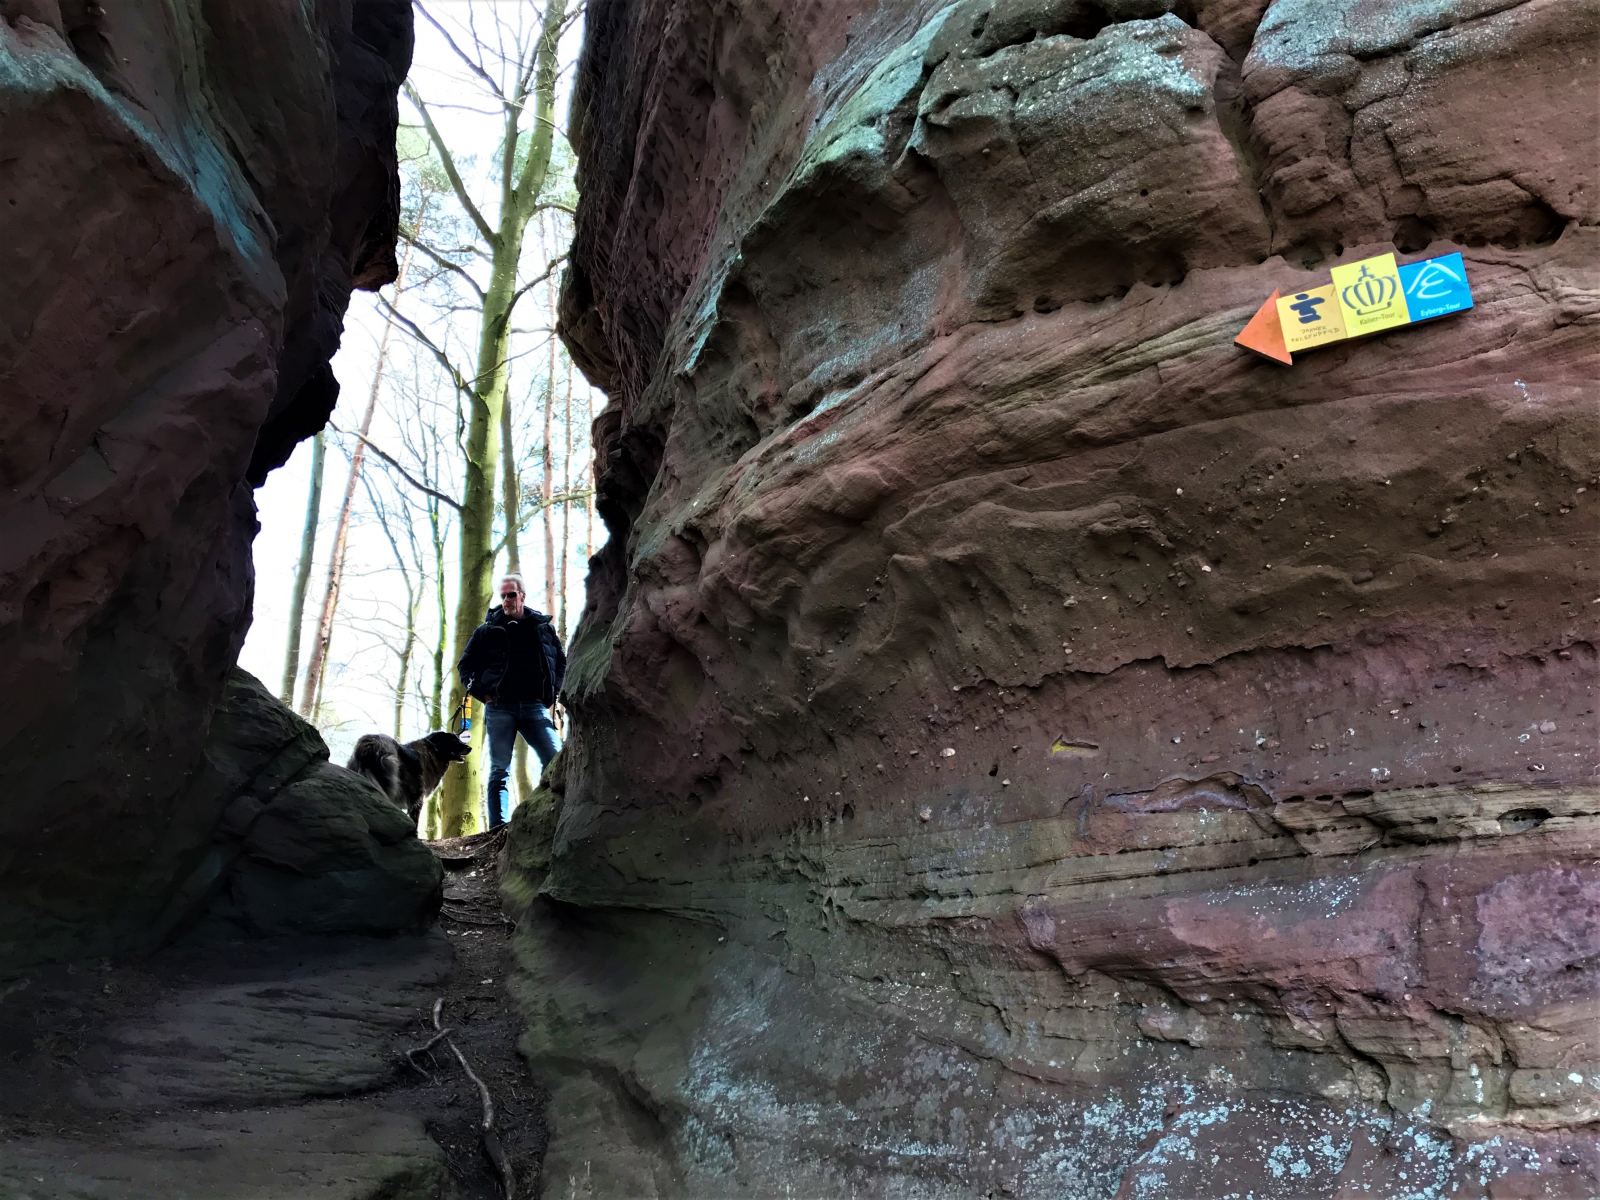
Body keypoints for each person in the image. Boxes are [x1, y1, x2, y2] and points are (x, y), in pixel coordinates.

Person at [457, 573, 566, 829]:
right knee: (499, 771)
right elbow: (465, 666)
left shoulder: (542, 627)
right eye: (503, 595)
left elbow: (560, 662)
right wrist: (481, 692)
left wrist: (552, 694)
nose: (506, 600)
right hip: (499, 707)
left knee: (556, 758)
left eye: (511, 595)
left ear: (522, 596)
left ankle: (548, 816)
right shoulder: (487, 631)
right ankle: (498, 829)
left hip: (534, 706)